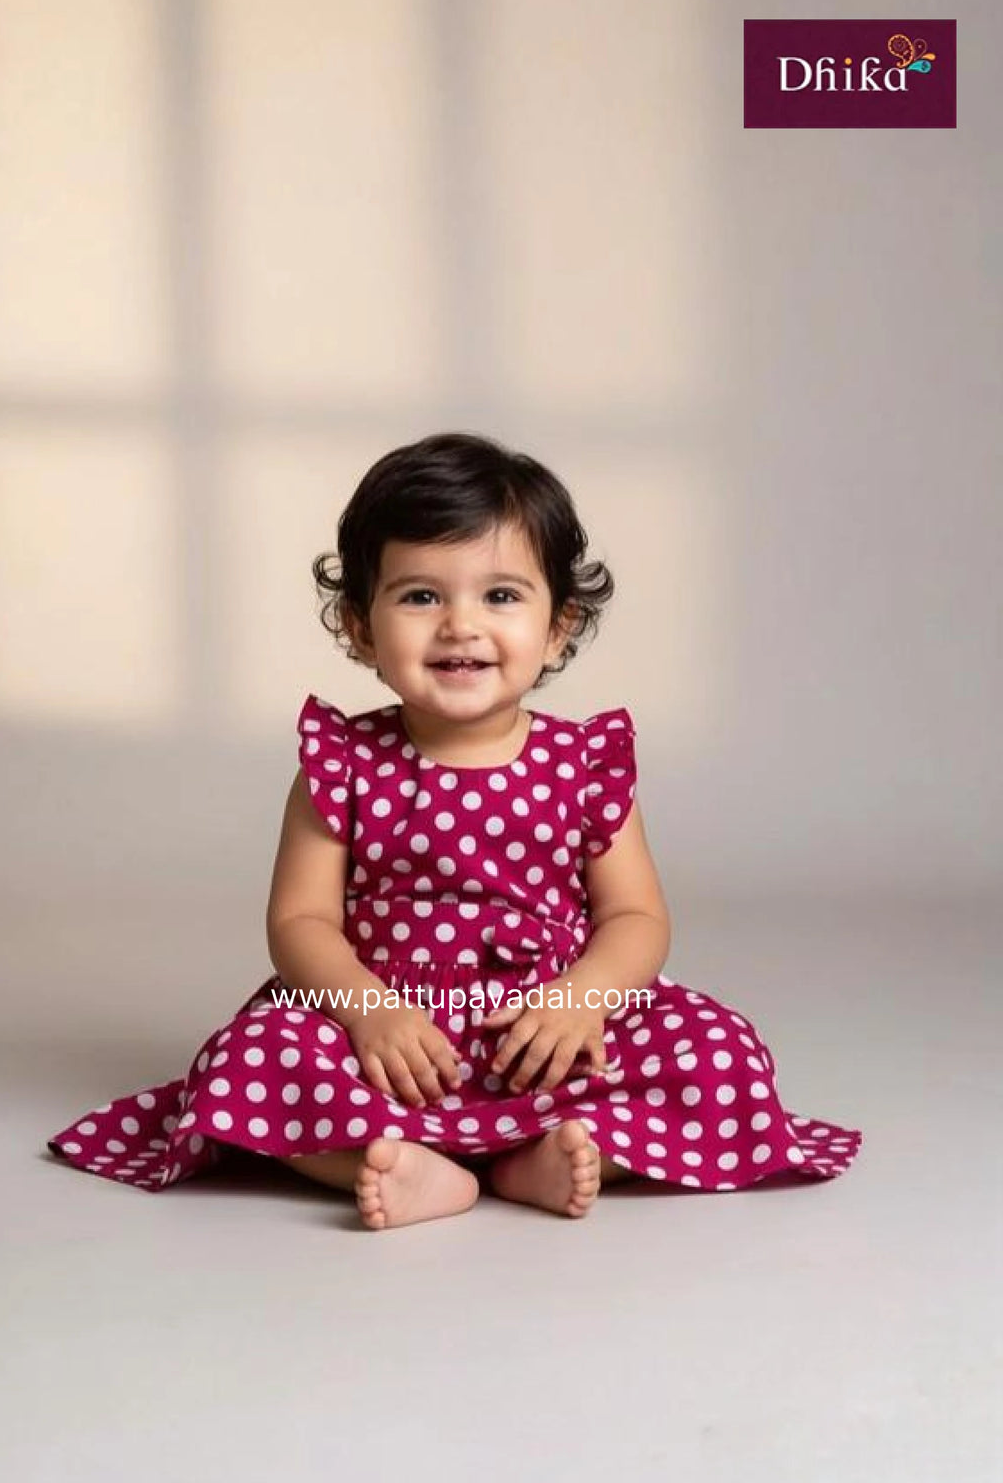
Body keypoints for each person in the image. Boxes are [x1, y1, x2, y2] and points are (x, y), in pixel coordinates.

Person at [46, 431, 862, 1228]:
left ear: (558, 627)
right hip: (393, 1039)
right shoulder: (344, 763)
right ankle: (396, 1164)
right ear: (362, 627)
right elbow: (300, 921)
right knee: (247, 1059)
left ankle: (560, 1153)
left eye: (501, 595)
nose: (460, 625)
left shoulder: (584, 765)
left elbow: (636, 917)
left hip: (546, 1036)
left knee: (719, 1049)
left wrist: (582, 1001)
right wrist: (368, 1012)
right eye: (420, 595)